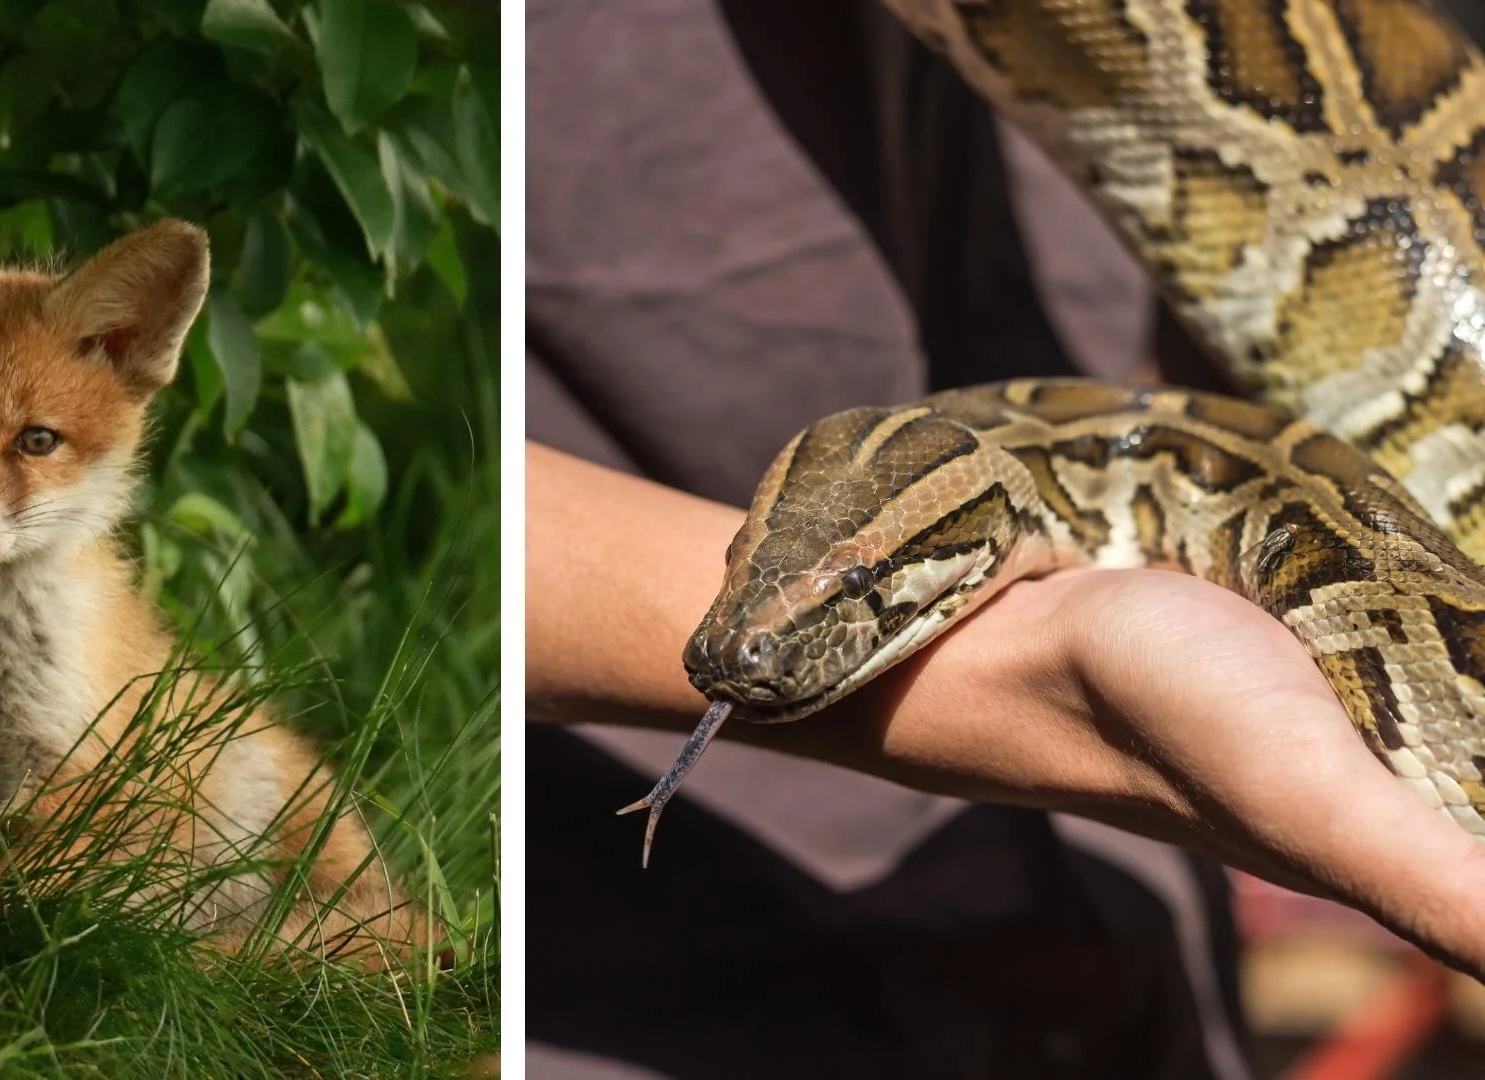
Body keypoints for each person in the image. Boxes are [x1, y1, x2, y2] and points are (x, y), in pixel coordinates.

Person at [525, 2, 1485, 1077]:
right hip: (645, 980)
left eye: (854, 586)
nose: (740, 645)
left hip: (1122, 963)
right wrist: (1014, 685)